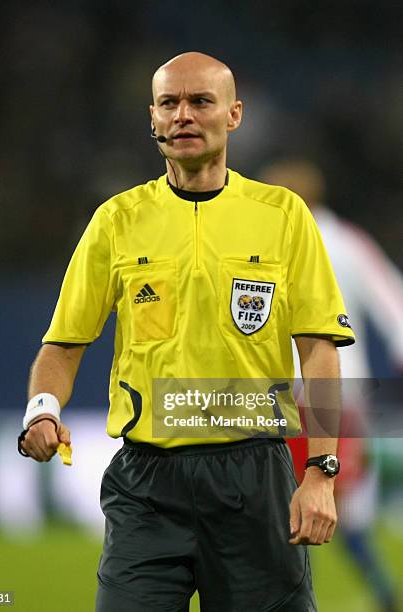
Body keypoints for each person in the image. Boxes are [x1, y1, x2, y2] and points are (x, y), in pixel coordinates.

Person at [18, 52, 355, 612]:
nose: (183, 115)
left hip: (257, 479)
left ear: (234, 115)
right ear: (152, 117)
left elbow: (318, 349)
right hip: (148, 485)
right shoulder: (116, 221)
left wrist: (320, 471)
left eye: (200, 101)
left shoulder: (284, 215)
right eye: (169, 103)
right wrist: (43, 408)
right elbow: (64, 343)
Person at [260, 158, 403, 612]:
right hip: (345, 390)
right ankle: (381, 591)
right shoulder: (350, 242)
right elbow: (393, 305)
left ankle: (301, 597)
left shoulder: (270, 244)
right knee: (334, 499)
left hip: (285, 393)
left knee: (289, 501)